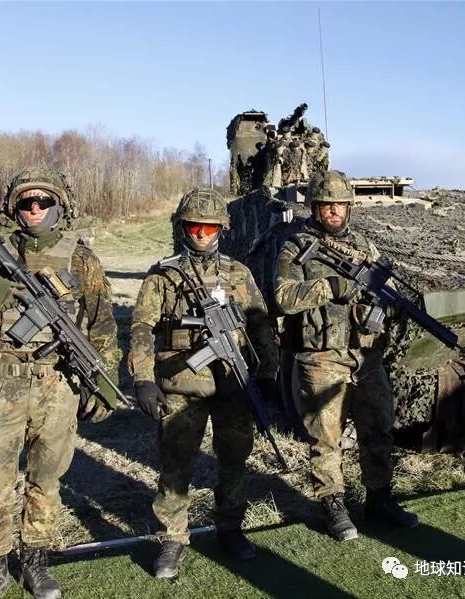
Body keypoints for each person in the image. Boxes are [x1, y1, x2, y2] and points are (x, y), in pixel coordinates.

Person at [0, 166, 121, 599]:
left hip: (57, 384)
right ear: (15, 207)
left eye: (44, 201)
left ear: (59, 205)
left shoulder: (81, 259)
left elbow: (102, 325)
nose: (35, 208)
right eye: (27, 202)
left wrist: (105, 379)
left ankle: (35, 562)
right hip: (4, 381)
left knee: (47, 479)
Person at [128, 188, 278, 578]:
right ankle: (172, 538)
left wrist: (268, 373)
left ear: (221, 229)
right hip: (180, 385)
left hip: (233, 384)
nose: (200, 233)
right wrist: (143, 379)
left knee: (235, 459)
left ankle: (230, 527)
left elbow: (260, 323)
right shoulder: (164, 275)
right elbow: (142, 326)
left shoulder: (238, 273)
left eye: (209, 227)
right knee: (175, 465)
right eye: (194, 225)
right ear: (183, 227)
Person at [273, 170, 418, 541]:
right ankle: (332, 504)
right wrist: (330, 287)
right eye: (326, 205)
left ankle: (380, 498)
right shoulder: (296, 247)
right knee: (325, 437)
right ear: (315, 208)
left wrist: (391, 306)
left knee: (378, 427)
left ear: (349, 207)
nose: (333, 211)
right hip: (322, 356)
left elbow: (385, 291)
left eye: (339, 204)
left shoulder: (365, 248)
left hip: (366, 355)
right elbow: (284, 297)